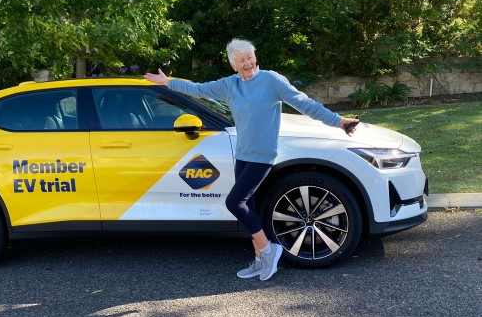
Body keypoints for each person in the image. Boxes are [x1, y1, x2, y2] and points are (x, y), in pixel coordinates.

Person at [144, 38, 358, 281]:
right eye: (241, 60)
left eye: (250, 57)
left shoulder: (271, 81)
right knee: (251, 207)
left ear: (255, 58)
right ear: (233, 64)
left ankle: (268, 250)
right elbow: (198, 89)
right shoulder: (229, 85)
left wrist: (339, 121)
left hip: (262, 155)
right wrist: (168, 82)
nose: (248, 63)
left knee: (235, 202)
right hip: (243, 155)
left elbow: (305, 104)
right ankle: (260, 260)